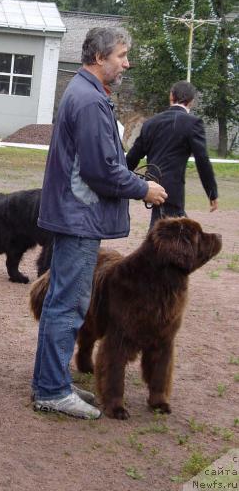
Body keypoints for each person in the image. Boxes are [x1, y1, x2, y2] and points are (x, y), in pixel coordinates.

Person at [33, 27, 167, 419]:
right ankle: (52, 390)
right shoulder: (89, 101)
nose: (126, 63)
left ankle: (51, 382)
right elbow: (101, 170)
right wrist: (144, 189)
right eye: (122, 55)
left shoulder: (85, 94)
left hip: (76, 214)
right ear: (99, 57)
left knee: (63, 302)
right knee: (68, 306)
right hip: (79, 217)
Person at [126, 80, 218, 228]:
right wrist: (212, 192)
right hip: (172, 191)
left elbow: (133, 156)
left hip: (151, 185)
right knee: (171, 235)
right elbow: (202, 160)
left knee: (164, 232)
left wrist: (120, 179)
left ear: (171, 96)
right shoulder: (193, 123)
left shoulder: (151, 123)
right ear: (191, 101)